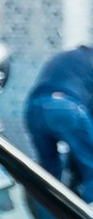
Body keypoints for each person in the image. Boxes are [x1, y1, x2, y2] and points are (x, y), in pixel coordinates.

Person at [24, 43, 93, 192]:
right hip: (65, 107)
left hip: (34, 108)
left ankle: (47, 211)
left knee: (48, 174)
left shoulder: (64, 56)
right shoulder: (90, 59)